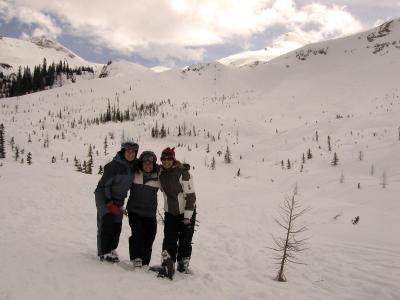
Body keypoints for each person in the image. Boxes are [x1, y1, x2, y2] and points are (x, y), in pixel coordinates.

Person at [94, 141, 139, 263]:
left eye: (133, 152)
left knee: (117, 224)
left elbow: (149, 165)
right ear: (123, 151)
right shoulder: (113, 165)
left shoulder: (135, 166)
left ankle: (112, 249)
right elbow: (104, 186)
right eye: (128, 151)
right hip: (103, 195)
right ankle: (104, 252)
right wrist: (109, 203)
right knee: (107, 219)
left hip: (118, 199)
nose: (130, 154)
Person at [158, 147, 197, 279]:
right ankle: (168, 262)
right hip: (170, 212)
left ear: (173, 159)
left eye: (169, 158)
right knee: (169, 238)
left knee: (185, 238)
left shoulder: (183, 174)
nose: (166, 161)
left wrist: (187, 216)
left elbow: (191, 196)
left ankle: (183, 262)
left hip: (186, 211)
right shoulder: (161, 173)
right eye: (164, 158)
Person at [126, 151, 160, 269]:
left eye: (150, 164)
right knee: (137, 233)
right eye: (145, 163)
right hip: (134, 210)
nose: (148, 166)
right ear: (141, 163)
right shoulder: (134, 173)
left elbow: (170, 174)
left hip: (150, 213)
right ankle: (137, 258)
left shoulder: (158, 176)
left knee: (150, 235)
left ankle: (145, 262)